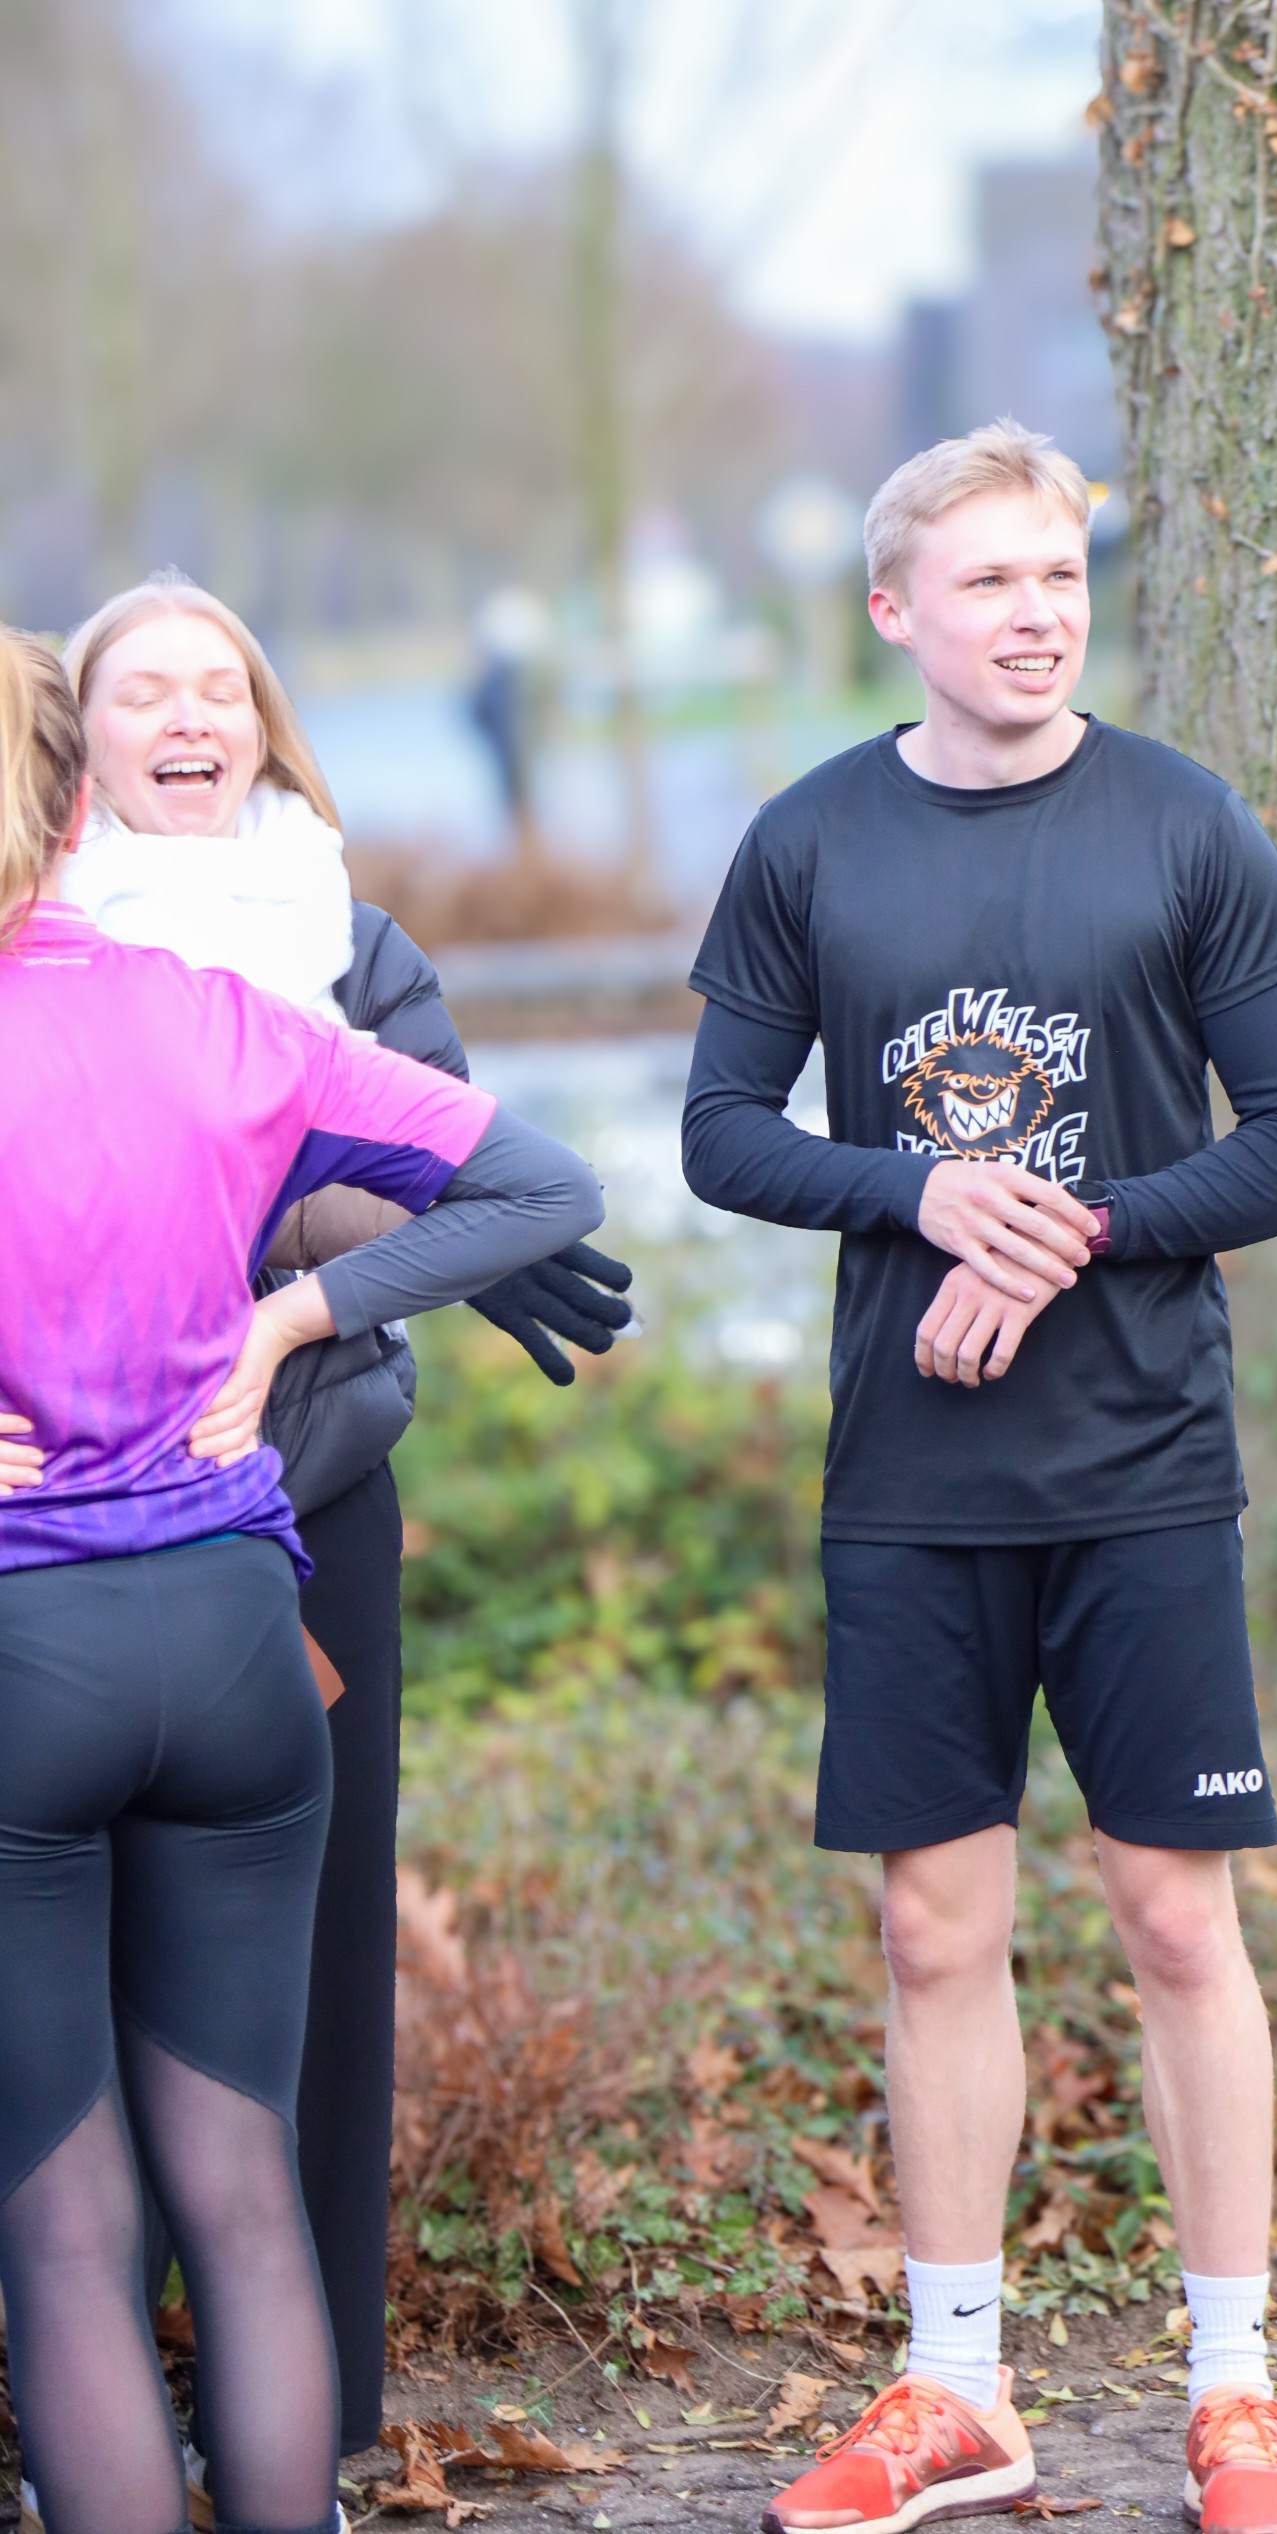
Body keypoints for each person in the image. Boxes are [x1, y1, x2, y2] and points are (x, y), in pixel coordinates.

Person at [682, 420, 1277, 2534]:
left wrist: (1066, 1230)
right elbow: (720, 1130)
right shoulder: (809, 840)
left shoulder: (1184, 823)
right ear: (897, 608)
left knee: (1173, 1914)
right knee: (931, 1925)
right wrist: (920, 1188)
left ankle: (1235, 2390)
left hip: (1142, 1463)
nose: (1036, 612)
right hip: (909, 1473)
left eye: (1060, 574)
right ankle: (957, 2387)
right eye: (988, 580)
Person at [0, 625, 604, 2534]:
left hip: (22, 1661)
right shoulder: (222, 1015)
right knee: (246, 2186)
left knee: (67, 2220)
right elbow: (546, 1188)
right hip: (236, 1636)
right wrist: (294, 1316)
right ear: (79, 803)